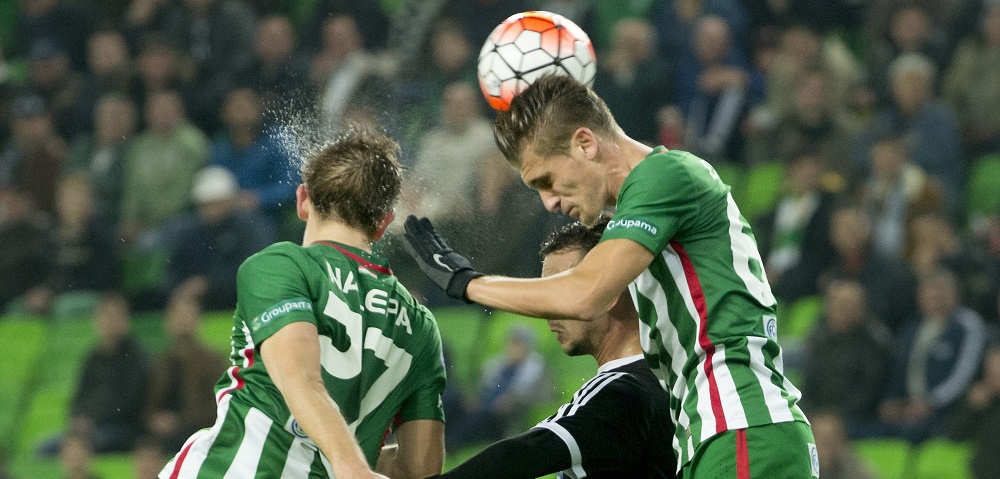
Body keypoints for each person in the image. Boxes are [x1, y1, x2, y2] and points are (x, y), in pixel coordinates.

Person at [405, 75, 815, 478]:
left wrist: (468, 283)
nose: (548, 201)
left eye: (546, 180)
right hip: (724, 434)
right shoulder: (650, 204)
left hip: (740, 426)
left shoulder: (665, 174)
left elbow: (587, 294)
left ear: (585, 143)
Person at [160, 126, 445, 479]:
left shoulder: (281, 266)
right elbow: (418, 468)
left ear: (303, 200)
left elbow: (299, 377)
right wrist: (358, 454)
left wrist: (350, 464)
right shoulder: (420, 324)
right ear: (384, 222)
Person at [435, 216, 676, 478]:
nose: (549, 316)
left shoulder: (619, 391)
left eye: (560, 294)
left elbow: (522, 454)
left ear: (607, 294)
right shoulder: (671, 378)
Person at [880, 269, 987, 443]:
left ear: (955, 295)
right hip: (909, 407)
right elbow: (900, 369)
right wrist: (892, 400)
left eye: (940, 292)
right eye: (929, 293)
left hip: (948, 410)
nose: (934, 298)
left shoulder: (967, 325)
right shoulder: (912, 328)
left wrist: (932, 402)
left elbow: (964, 373)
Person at [445, 325, 553, 449]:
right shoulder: (496, 364)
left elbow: (546, 396)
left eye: (519, 345)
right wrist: (472, 397)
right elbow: (480, 387)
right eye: (512, 344)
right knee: (453, 401)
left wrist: (513, 400)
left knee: (482, 414)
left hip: (503, 415)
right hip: (484, 403)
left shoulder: (538, 368)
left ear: (528, 347)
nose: (515, 348)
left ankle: (451, 443)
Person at [145, 294, 227, 453]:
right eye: (178, 314)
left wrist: (179, 421)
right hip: (162, 436)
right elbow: (149, 404)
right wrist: (153, 419)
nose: (183, 319)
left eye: (188, 313)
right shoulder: (160, 362)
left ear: (198, 320)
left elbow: (219, 406)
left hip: (200, 433)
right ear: (167, 322)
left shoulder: (212, 361)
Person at [949, 347, 1000, 479]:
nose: (993, 377)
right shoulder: (979, 400)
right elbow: (954, 436)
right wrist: (972, 409)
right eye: (990, 371)